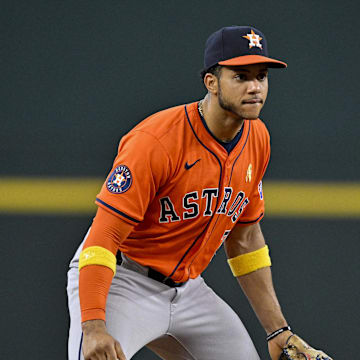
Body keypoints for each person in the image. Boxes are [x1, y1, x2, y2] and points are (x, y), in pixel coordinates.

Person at [67, 26, 331, 360]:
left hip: (188, 290)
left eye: (261, 76)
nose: (255, 87)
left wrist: (277, 330)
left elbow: (246, 240)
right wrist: (92, 325)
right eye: (240, 76)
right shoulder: (157, 141)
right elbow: (102, 239)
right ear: (211, 81)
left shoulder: (258, 138)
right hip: (122, 281)